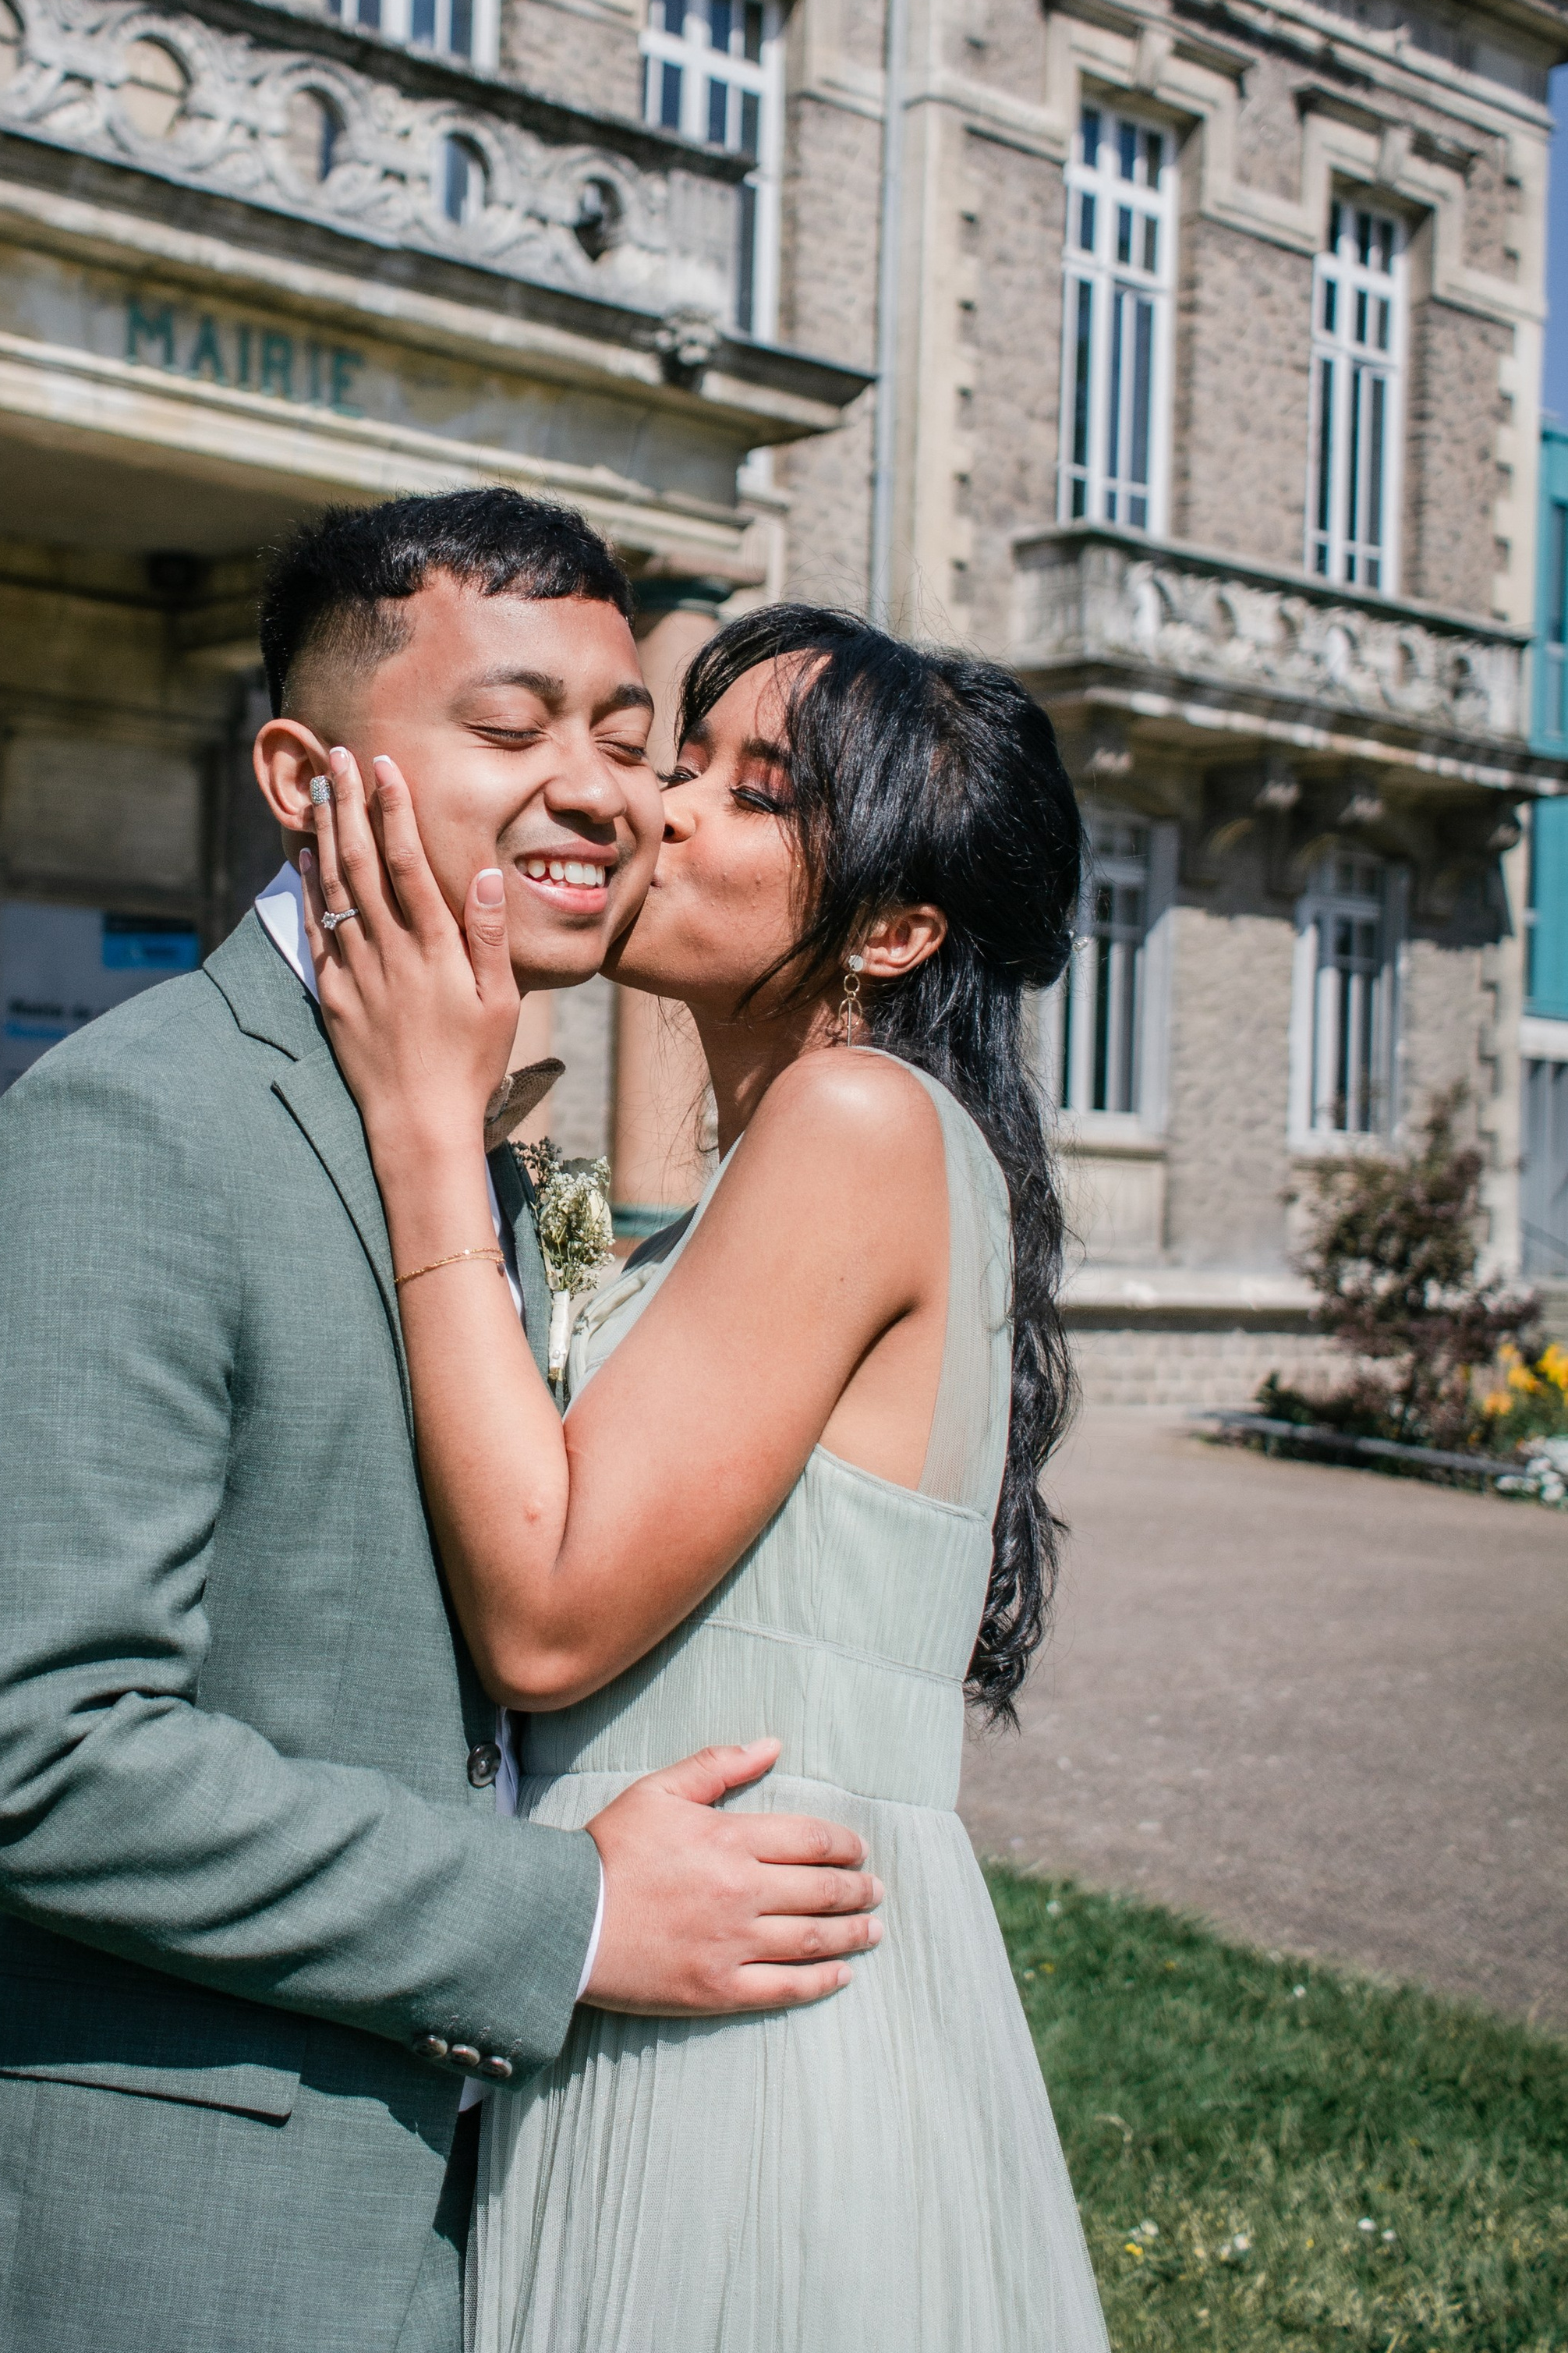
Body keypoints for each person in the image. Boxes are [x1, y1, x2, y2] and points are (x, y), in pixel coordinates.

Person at [0, 494, 882, 2353]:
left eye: (626, 741)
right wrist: (560, 1912)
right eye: (509, 732)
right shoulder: (138, 1129)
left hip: (455, 2221)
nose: (598, 793)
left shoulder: (459, 1137)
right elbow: (35, 1750)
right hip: (175, 2249)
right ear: (299, 770)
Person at [305, 597, 1110, 2352]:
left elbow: (545, 1611)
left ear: (891, 926)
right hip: (697, 1956)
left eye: (749, 792)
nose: (653, 808)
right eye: (677, 756)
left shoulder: (853, 1126)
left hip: (741, 2011)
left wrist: (428, 1133)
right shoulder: (818, 1152)